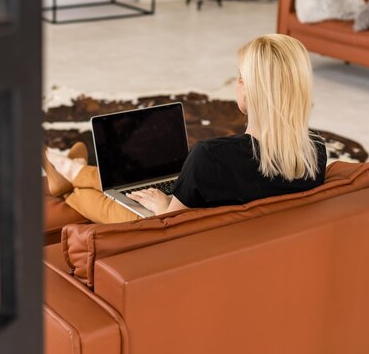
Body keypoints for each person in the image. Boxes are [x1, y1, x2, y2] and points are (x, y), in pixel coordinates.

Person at [43, 34, 327, 224]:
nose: (236, 84)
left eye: (239, 78)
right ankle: (72, 168)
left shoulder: (212, 156)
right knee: (131, 185)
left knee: (110, 200)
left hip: (179, 240)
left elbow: (172, 225)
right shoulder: (316, 150)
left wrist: (163, 204)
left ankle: (66, 177)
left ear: (250, 90)